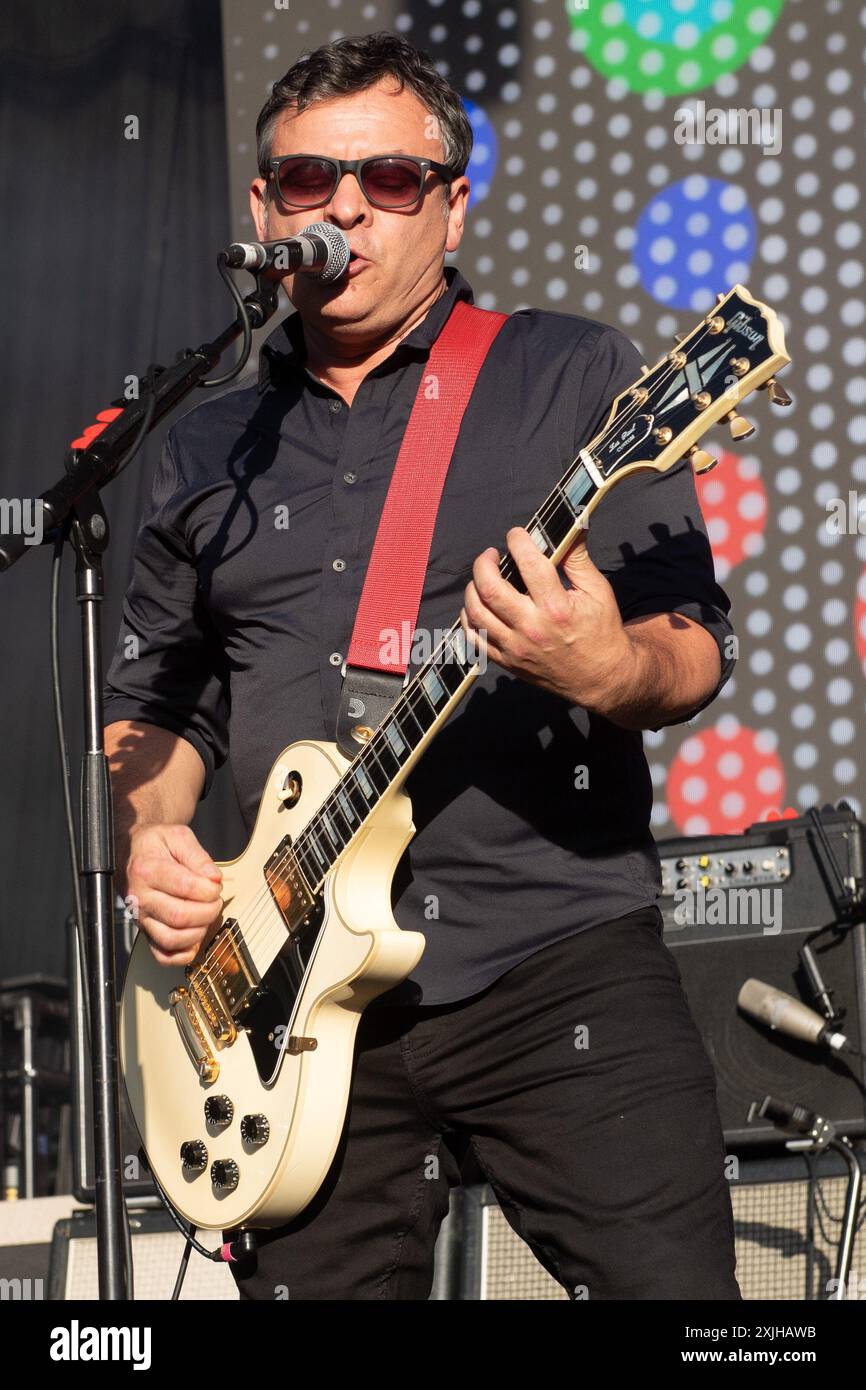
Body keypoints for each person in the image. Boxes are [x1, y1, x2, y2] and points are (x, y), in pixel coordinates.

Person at [104, 32, 741, 1300]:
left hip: (551, 958)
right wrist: (152, 833)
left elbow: (691, 649)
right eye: (307, 181)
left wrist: (602, 665)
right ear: (263, 208)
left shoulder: (568, 375)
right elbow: (157, 714)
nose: (344, 207)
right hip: (291, 1008)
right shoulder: (205, 447)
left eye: (390, 180)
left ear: (450, 207)